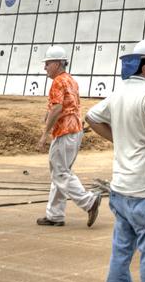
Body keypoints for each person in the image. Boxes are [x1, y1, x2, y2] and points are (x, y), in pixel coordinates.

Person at [86, 38, 145, 282]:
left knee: (120, 256)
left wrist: (121, 139)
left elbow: (92, 116)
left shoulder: (120, 91)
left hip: (121, 191)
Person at [36, 44, 101, 228]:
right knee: (60, 172)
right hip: (75, 130)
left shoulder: (57, 82)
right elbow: (65, 105)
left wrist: (44, 134)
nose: (45, 68)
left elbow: (57, 108)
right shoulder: (71, 80)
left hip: (65, 131)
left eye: (48, 63)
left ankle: (88, 201)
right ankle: (55, 215)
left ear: (57, 63)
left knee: (60, 172)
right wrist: (49, 114)